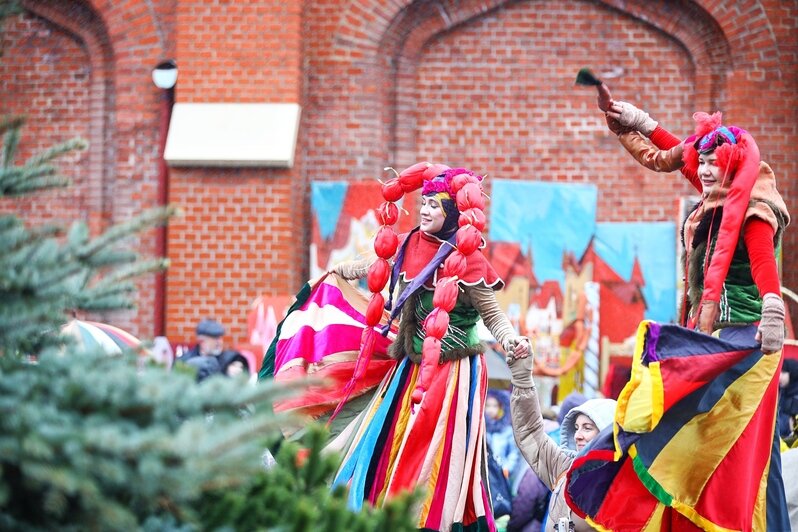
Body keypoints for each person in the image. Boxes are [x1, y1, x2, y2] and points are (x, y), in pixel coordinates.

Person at [587, 99, 791, 529]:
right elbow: (681, 157)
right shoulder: (721, 194)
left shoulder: (754, 210)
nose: (707, 171)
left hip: (746, 344)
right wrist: (641, 124)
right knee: (758, 451)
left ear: (735, 165)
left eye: (717, 164)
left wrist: (774, 306)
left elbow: (762, 265)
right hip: (724, 338)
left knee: (686, 422)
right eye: (706, 163)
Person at [328, 167, 531, 531]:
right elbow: (375, 265)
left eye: (433, 206)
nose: (423, 210)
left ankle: (426, 518)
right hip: (409, 365)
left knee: (429, 445)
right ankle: (382, 509)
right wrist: (339, 271)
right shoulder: (409, 244)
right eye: (422, 202)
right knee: (391, 435)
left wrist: (510, 340)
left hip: (452, 374)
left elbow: (494, 315)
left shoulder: (470, 262)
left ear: (452, 213)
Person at [507, 353, 616, 532]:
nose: (578, 435)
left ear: (607, 432)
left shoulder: (621, 481)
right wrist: (521, 375)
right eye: (576, 427)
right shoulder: (563, 468)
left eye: (587, 428)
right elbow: (528, 431)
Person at [177, 318, 249, 381]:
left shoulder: (229, 360)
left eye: (220, 337)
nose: (219, 342)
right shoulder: (184, 361)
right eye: (215, 338)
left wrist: (234, 371)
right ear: (201, 341)